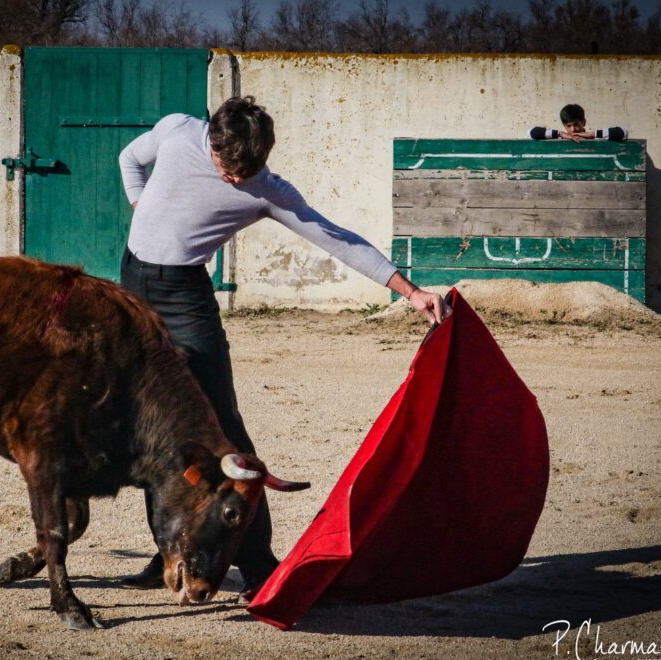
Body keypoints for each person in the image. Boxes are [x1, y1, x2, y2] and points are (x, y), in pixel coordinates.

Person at [117, 96, 449, 598]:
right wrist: (139, 202)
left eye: (247, 171)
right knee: (156, 430)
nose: (235, 179)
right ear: (213, 140)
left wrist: (410, 291)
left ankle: (257, 564)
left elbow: (337, 238)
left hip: (185, 298)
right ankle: (170, 549)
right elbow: (128, 158)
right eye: (229, 167)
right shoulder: (177, 130)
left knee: (224, 429)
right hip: (131, 286)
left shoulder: (267, 191)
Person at [530, 103, 627, 141]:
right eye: (569, 125)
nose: (573, 129)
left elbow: (623, 132)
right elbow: (531, 132)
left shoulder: (596, 138)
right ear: (564, 126)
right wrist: (560, 134)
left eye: (576, 124)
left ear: (583, 122)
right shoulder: (559, 138)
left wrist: (592, 134)